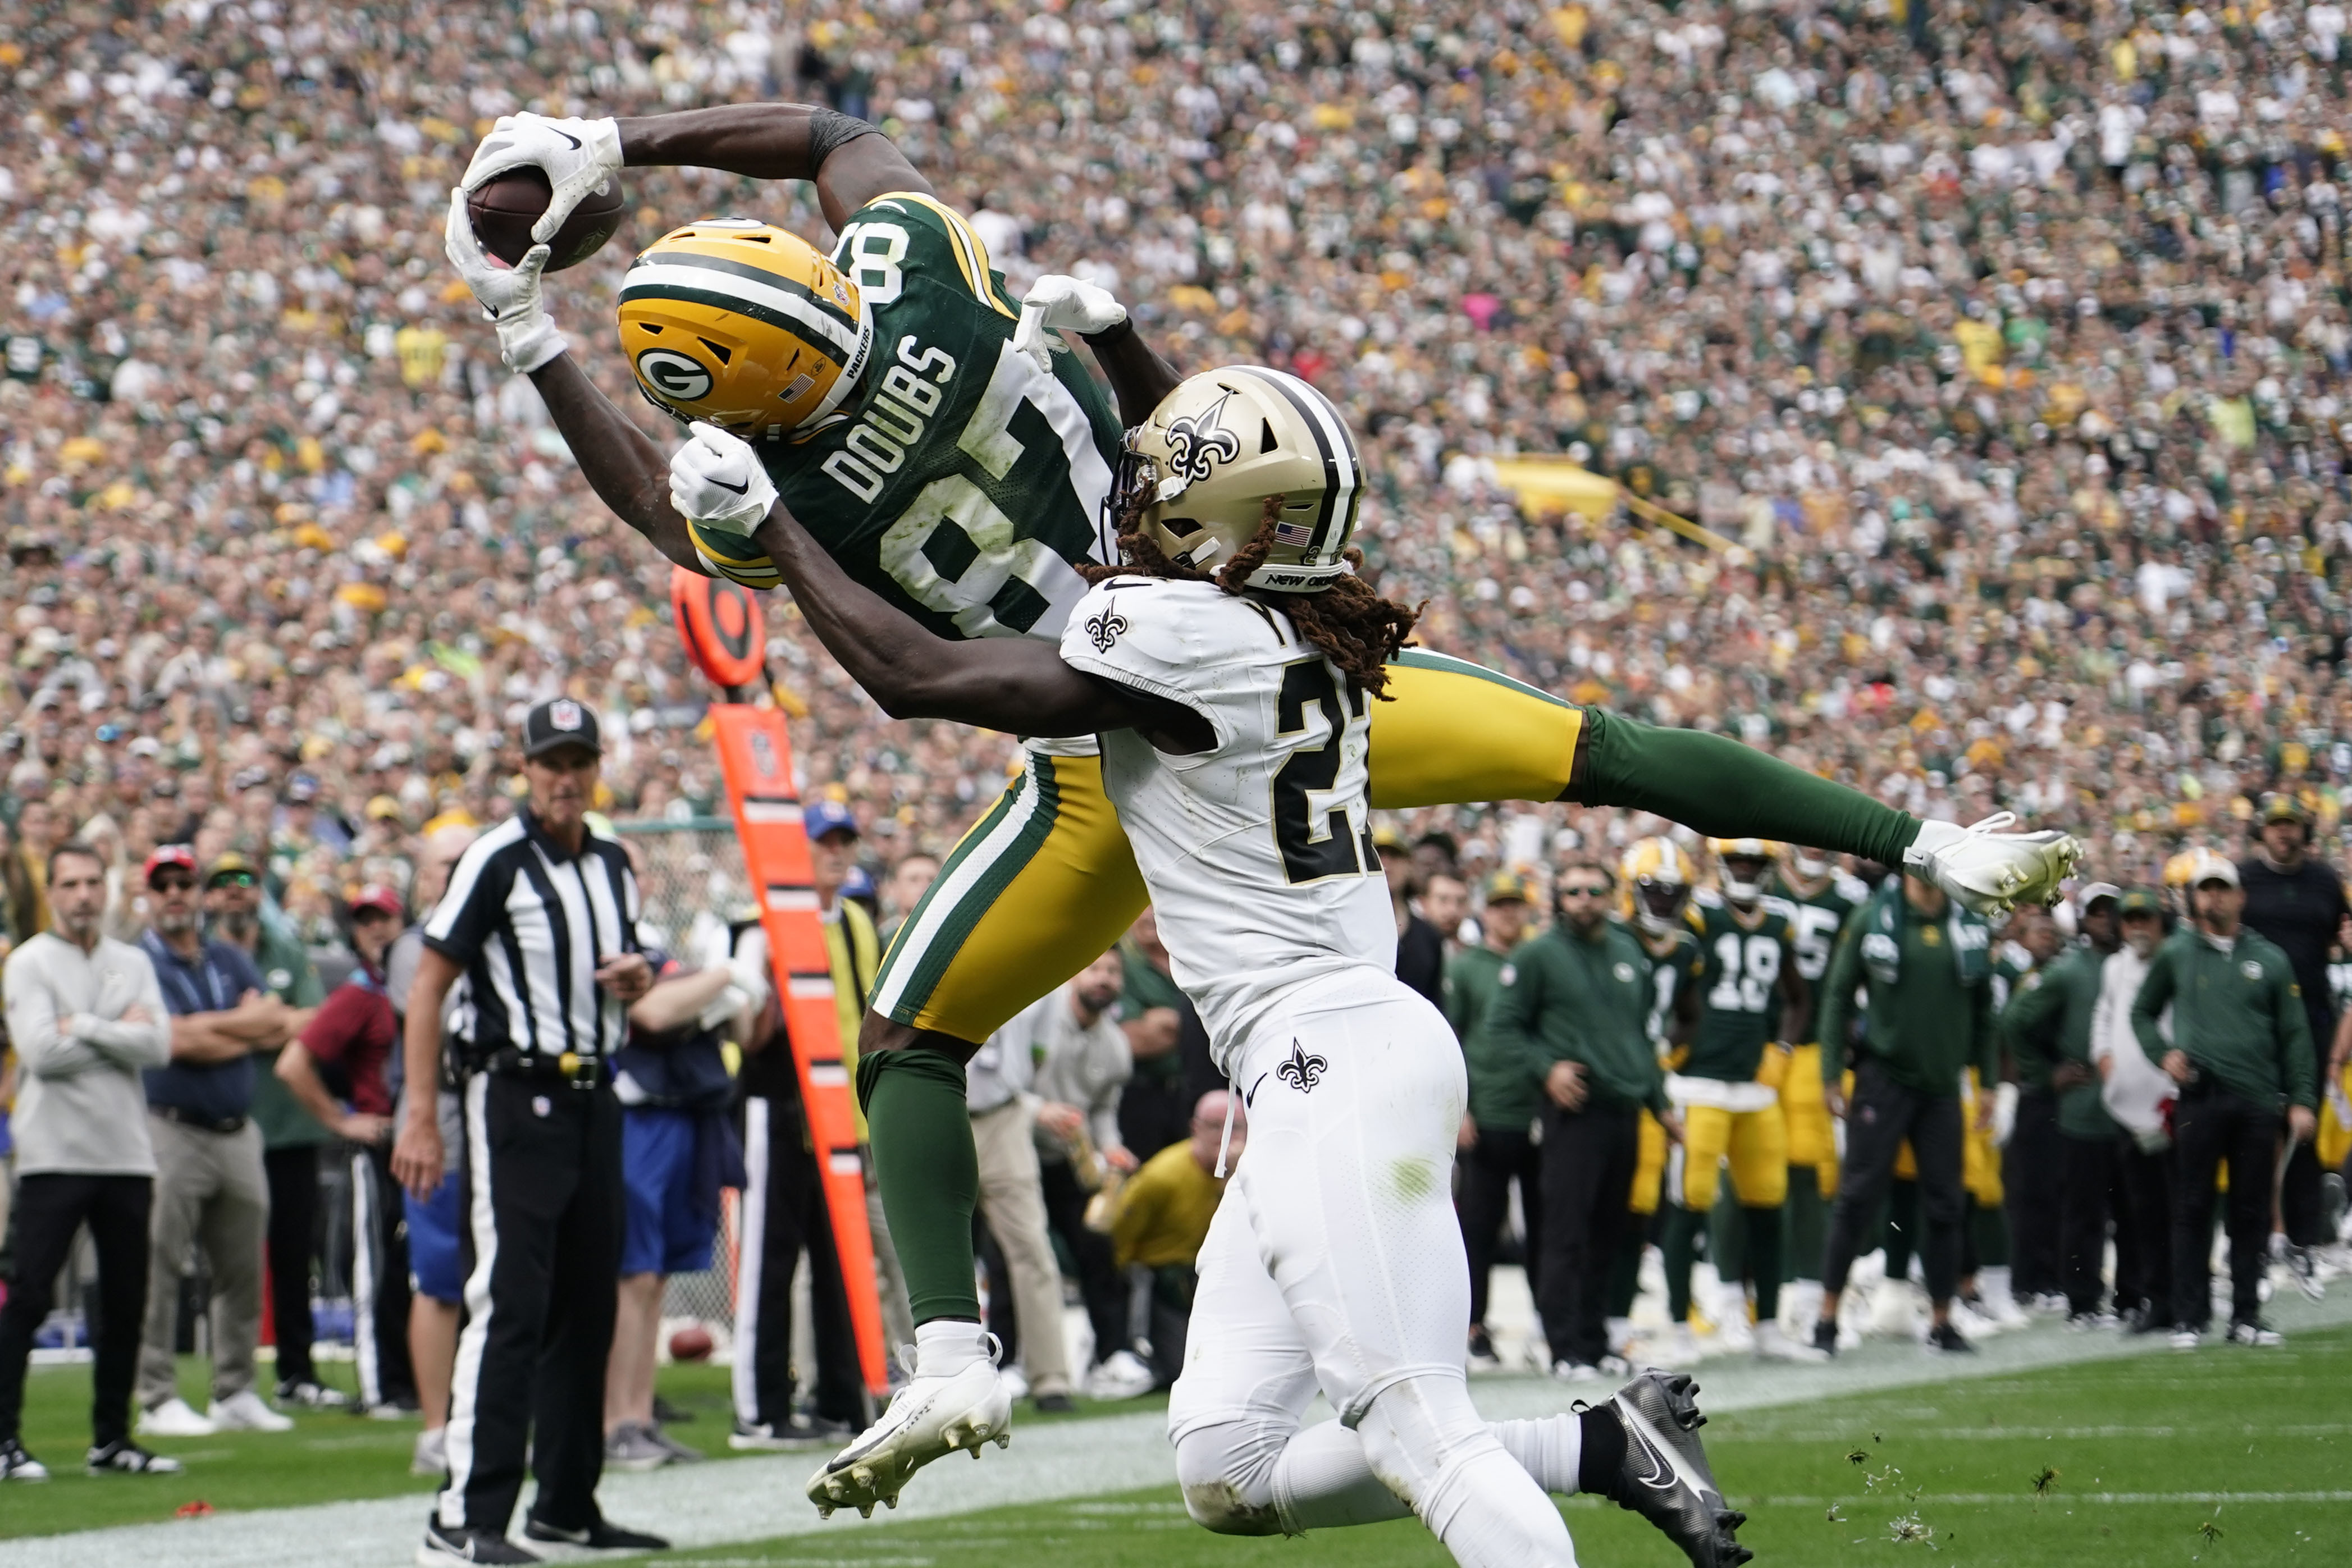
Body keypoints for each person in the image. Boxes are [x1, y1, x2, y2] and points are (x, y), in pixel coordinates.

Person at [455, 108, 2076, 1502]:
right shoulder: (923, 276)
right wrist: (628, 141)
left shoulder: (778, 490)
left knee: (908, 1040)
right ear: (827, 281)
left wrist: (538, 346)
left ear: (719, 401)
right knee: (1597, 747)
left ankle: (949, 1354)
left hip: (1102, 745)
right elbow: (825, 142)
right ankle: (1925, 839)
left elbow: (766, 582)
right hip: (1263, 664)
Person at [741, 363, 1770, 1566]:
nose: (1132, 503)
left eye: (1164, 493)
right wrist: (1124, 345)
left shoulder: (1176, 636)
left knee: (1423, 1435)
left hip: (1331, 1059)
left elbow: (916, 678)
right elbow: (1241, 479)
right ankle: (1605, 1446)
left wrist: (770, 518)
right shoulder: (1301, 619)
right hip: (1325, 1061)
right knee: (1226, 1463)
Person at [387, 699, 666, 1566]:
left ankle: (567, 1502)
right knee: (508, 1303)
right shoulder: (495, 859)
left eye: (580, 760)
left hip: (596, 1095)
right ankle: (462, 1516)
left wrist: (637, 975)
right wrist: (421, 1111)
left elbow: (625, 967)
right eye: (553, 761)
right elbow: (430, 985)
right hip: (514, 1096)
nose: (567, 777)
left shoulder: (615, 861)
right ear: (527, 768)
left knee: (589, 1304)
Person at [0, 842, 179, 1481]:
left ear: (106, 889)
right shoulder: (28, 963)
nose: (82, 895)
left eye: (91, 882)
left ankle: (112, 1438)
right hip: (54, 1153)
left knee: (127, 1301)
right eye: (69, 883)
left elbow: (159, 1045)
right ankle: (4, 1438)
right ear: (51, 890)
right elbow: (42, 1052)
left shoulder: (131, 960)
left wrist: (85, 1025)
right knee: (28, 1296)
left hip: (125, 1153)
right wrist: (113, 1029)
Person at [730, 799, 882, 1451]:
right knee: (769, 1262)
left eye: (844, 840)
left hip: (841, 1116)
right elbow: (743, 1029)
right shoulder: (759, 922)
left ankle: (842, 1400)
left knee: (842, 1259)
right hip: (777, 1105)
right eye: (826, 841)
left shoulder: (854, 919)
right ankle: (760, 1410)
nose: (837, 852)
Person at [1495, 857, 1681, 1380]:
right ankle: (1562, 1347)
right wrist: (1545, 1069)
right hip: (1574, 1110)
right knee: (1566, 1232)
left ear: (1610, 894)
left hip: (1624, 1109)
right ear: (1558, 897)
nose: (1582, 900)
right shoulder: (1538, 955)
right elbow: (1503, 1025)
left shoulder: (1627, 950)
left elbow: (1640, 1038)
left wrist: (1660, 1105)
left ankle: (1595, 1341)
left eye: (1592, 890)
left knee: (1611, 1233)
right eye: (1572, 891)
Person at [135, 844, 298, 1438]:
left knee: (240, 1269)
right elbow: (171, 1042)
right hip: (169, 1125)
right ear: (149, 895)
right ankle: (156, 1395)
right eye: (165, 884)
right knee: (161, 1264)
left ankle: (235, 1390)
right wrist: (241, 1029)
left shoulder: (226, 957)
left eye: (185, 883)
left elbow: (277, 1021)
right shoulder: (140, 961)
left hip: (236, 1129)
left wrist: (217, 1032)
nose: (176, 894)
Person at [1813, 863, 1999, 1357]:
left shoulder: (1970, 923)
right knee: (1857, 1196)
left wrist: (1988, 1081)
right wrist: (1832, 1070)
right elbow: (1836, 994)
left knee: (1946, 1203)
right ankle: (1826, 1317)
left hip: (1942, 1083)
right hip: (1883, 1076)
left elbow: (1984, 1009)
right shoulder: (1872, 916)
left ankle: (1941, 1319)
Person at [2134, 853, 2319, 1348]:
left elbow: (2295, 1034)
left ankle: (2245, 1316)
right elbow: (2141, 1012)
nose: (2212, 897)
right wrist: (2161, 1054)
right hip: (2201, 1095)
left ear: (2240, 896)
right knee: (2192, 1207)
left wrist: (2301, 1099)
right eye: (2204, 889)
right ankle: (2190, 1317)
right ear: (2194, 897)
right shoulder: (2176, 952)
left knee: (2251, 1211)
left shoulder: (2272, 958)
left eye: (2221, 888)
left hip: (2258, 1099)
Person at [1657, 839, 1815, 1365]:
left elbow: (1798, 997)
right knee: (1690, 1201)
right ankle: (1679, 1327)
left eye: (1755, 863)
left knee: (1769, 1201)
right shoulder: (1697, 917)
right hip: (1698, 1084)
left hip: (1754, 1086)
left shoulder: (1778, 921)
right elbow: (1670, 981)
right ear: (1721, 865)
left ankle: (1767, 1323)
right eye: (1739, 861)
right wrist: (1674, 1039)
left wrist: (1784, 1049)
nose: (1746, 871)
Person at [606, 943, 756, 1470]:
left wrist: (707, 991)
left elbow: (745, 1028)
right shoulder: (628, 951)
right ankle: (614, 1423)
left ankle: (640, 1416)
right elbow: (653, 1012)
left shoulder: (663, 955)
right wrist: (725, 973)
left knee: (658, 1275)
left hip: (686, 1116)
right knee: (634, 1274)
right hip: (636, 1118)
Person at [204, 849, 341, 1412]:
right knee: (223, 1258)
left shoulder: (284, 948)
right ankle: (225, 1380)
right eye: (224, 883)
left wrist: (236, 1027)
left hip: (285, 1127)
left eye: (246, 881)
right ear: (210, 895)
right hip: (217, 1125)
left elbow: (317, 1022)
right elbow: (181, 1034)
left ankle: (297, 1370)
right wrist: (268, 1023)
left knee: (293, 1253)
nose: (236, 891)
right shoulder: (200, 953)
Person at [273, 885, 415, 1415]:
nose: (377, 928)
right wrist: (342, 1121)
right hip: (378, 1145)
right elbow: (294, 1062)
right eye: (365, 921)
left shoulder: (410, 987)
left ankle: (411, 1379)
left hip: (419, 1141)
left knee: (411, 1268)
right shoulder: (359, 994)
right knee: (376, 1269)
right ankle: (381, 1385)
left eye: (386, 918)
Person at [385, 824, 477, 1478]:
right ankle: (436, 1426)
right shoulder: (413, 947)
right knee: (439, 1279)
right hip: (442, 1116)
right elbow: (444, 1017)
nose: (456, 876)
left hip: (497, 1118)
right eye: (446, 865)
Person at [1018, 951, 1150, 1400]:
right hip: (1019, 1149)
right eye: (1095, 969)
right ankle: (1009, 1364)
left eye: (1113, 972)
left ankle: (1112, 1356)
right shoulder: (1038, 1016)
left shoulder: (1115, 1045)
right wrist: (1040, 1111)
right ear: (1074, 974)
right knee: (1014, 1254)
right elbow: (1004, 1084)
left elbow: (1104, 1109)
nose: (1105, 979)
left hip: (1076, 1159)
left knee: (1098, 1248)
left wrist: (1110, 1146)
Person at [2235, 794, 2346, 1296]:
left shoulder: (2325, 881)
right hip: (2255, 1022)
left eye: (2292, 825)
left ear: (2305, 830)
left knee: (2303, 1129)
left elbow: (2339, 937)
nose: (2284, 834)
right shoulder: (2240, 878)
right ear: (2263, 831)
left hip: (2312, 1019)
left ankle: (2302, 1242)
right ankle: (2256, 1243)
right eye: (2276, 826)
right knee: (2257, 1133)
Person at [2004, 884, 2125, 1326]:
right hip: (2066, 1100)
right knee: (2060, 1197)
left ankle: (2120, 1293)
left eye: (2112, 911)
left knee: (2123, 1205)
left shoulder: (2134, 963)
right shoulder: (2063, 971)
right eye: (2095, 913)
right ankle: (2057, 1288)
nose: (2104, 920)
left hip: (2120, 1103)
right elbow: (2011, 1021)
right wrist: (2042, 1073)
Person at [1768, 845, 1869, 1338]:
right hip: (1761, 1046)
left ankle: (1811, 1293)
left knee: (1814, 1170)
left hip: (1814, 1049)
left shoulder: (1850, 898)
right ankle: (1736, 1292)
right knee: (1744, 1176)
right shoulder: (1763, 884)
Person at [964, 979, 1078, 1412]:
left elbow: (1038, 1051)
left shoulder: (1040, 964)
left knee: (1032, 1248)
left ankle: (1051, 1379)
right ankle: (924, 1376)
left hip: (1004, 1113)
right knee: (929, 1253)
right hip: (943, 1108)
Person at [1445, 870, 1538, 1371]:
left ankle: (1545, 1324)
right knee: (1477, 1227)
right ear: (1485, 911)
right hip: (1487, 1111)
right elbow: (1450, 1038)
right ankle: (1473, 1326)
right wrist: (1459, 1107)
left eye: (1515, 905)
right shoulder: (1466, 967)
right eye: (1499, 905)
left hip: (1538, 1110)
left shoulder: (1538, 960)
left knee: (1546, 1225)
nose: (1508, 913)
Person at [1109, 1090, 1244, 1390]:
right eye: (1214, 1126)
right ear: (1195, 1128)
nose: (1224, 1137)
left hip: (1229, 1274)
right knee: (1184, 1370)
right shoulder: (1162, 1177)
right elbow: (1120, 1236)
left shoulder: (1255, 1173)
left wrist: (1233, 1182)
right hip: (1169, 1279)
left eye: (1235, 1126)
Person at [2090, 888, 2177, 1332]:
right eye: (2130, 919)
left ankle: (2185, 1295)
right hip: (2126, 1105)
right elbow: (2103, 1017)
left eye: (2145, 917)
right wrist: (2104, 1058)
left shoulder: (2177, 960)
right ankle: (2154, 1297)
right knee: (2139, 1209)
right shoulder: (2113, 967)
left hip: (2170, 1102)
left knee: (2180, 1205)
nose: (2137, 926)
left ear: (2162, 920)